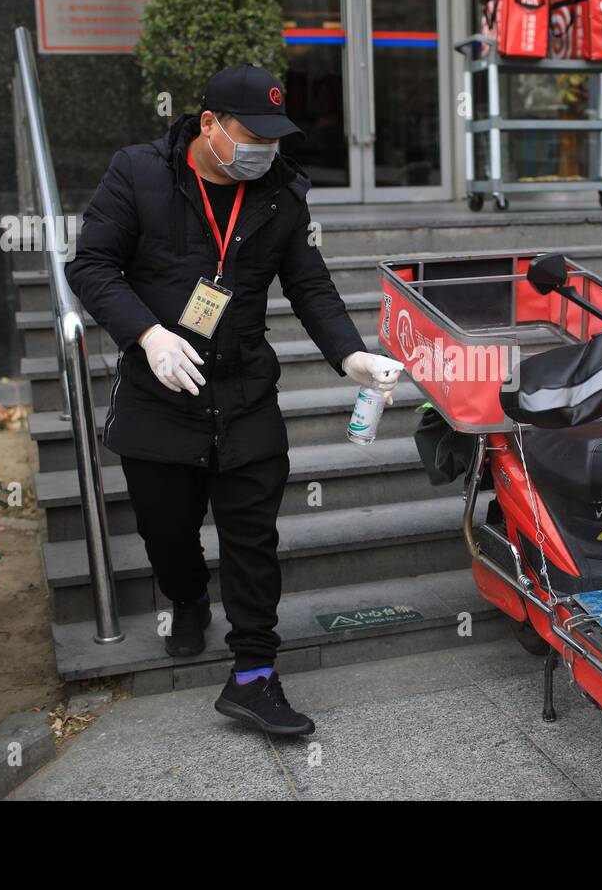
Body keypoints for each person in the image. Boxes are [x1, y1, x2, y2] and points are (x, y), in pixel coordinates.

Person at [66, 64, 401, 736]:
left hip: (245, 392)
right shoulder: (139, 174)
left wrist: (351, 354)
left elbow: (310, 287)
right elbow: (91, 266)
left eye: (275, 139)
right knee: (168, 533)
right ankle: (186, 597)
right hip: (161, 392)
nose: (264, 152)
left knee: (252, 542)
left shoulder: (279, 195)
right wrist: (149, 334)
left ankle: (254, 675)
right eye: (252, 136)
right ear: (209, 124)